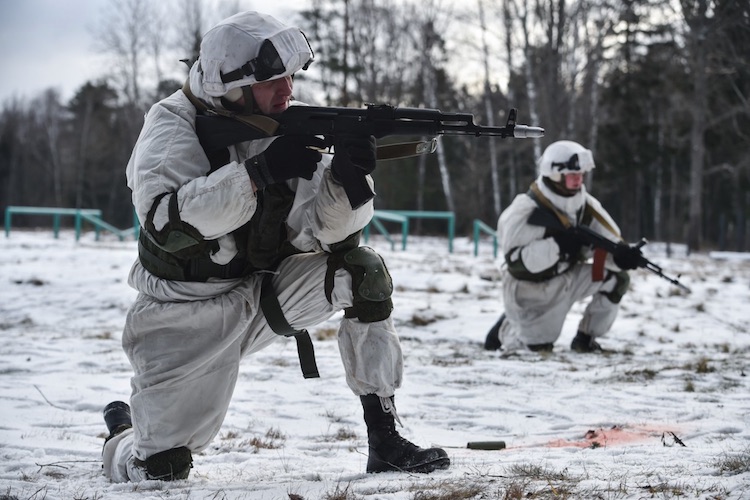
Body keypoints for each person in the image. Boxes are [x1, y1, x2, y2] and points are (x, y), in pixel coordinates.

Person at [101, 11, 450, 482]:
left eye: (290, 76)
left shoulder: (283, 120)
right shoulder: (170, 130)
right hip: (181, 317)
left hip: (262, 293)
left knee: (360, 271)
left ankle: (385, 440)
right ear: (234, 84)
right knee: (161, 469)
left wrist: (349, 178)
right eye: (274, 81)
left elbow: (334, 237)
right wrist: (259, 173)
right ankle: (121, 438)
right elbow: (169, 226)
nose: (288, 90)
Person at [483, 140, 642, 354]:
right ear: (555, 175)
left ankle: (585, 339)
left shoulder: (586, 206)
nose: (579, 179)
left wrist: (622, 255)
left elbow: (609, 240)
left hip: (568, 278)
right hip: (531, 290)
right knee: (538, 349)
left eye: (580, 174)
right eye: (572, 175)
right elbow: (516, 264)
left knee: (617, 279)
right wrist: (559, 246)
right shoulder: (525, 209)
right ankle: (509, 326)